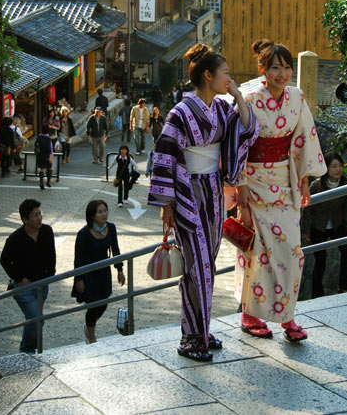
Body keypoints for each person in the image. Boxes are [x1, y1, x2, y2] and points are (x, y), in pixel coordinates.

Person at [148, 43, 258, 362]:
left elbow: (247, 130)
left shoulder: (222, 108)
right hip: (186, 191)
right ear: (208, 75)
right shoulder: (180, 113)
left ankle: (201, 328)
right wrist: (166, 205)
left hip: (212, 191)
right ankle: (190, 337)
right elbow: (165, 155)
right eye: (226, 74)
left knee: (207, 262)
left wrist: (238, 96)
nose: (229, 79)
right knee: (196, 264)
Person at [232, 39, 326, 343]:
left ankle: (287, 314)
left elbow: (303, 138)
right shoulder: (248, 98)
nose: (282, 73)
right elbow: (237, 147)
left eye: (286, 68)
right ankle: (250, 313)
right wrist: (240, 191)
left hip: (285, 181)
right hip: (254, 183)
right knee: (257, 252)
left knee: (292, 252)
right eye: (275, 67)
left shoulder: (296, 97)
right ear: (262, 69)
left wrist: (303, 180)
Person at [0, 198, 56, 354]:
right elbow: (4, 260)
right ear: (25, 219)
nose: (39, 218)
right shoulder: (15, 238)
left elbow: (51, 254)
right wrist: (19, 278)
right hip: (24, 287)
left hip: (42, 284)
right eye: (35, 215)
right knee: (37, 318)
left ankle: (28, 349)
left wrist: (50, 274)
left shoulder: (47, 231)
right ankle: (27, 350)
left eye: (40, 214)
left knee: (34, 319)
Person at [72, 199, 125, 344]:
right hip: (88, 274)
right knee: (93, 305)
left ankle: (88, 327)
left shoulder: (111, 228)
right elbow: (78, 258)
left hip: (104, 273)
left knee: (103, 303)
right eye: (100, 212)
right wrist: (79, 279)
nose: (104, 214)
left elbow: (115, 249)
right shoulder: (83, 233)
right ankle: (91, 335)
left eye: (105, 210)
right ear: (92, 215)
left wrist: (120, 270)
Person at [302, 151, 347, 298]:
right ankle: (317, 295)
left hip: (337, 224)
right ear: (326, 168)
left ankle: (345, 286)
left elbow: (346, 208)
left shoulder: (345, 184)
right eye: (334, 166)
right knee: (321, 260)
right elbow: (307, 210)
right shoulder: (316, 185)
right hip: (318, 226)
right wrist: (306, 231)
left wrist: (346, 227)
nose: (338, 170)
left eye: (340, 166)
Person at [35, 123, 53, 189]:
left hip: (40, 155)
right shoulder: (48, 138)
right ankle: (48, 181)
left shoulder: (39, 137)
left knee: (42, 169)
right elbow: (49, 149)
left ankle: (41, 182)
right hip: (46, 155)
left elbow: (36, 144)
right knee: (50, 168)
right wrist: (50, 156)